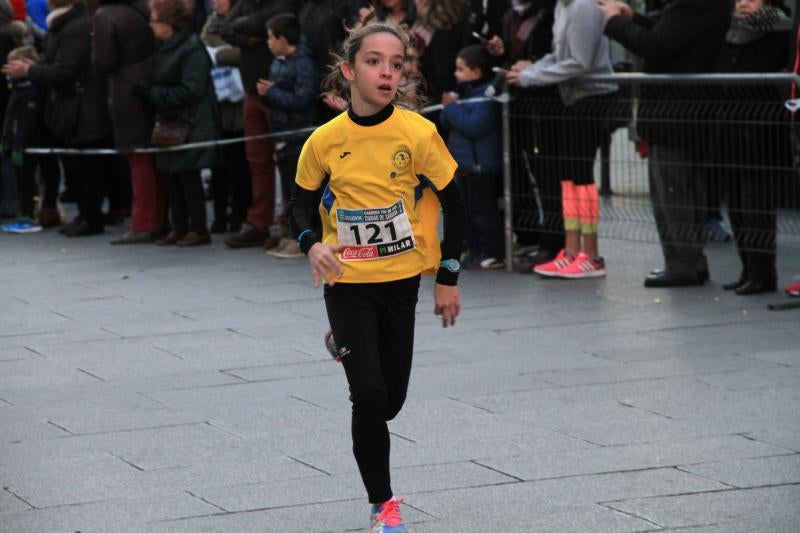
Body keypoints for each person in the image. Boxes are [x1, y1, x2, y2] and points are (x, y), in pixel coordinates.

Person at [288, 21, 464, 533]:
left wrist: (448, 276)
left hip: (400, 282)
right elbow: (298, 203)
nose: (386, 72)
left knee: (390, 402)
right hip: (345, 282)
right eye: (373, 62)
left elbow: (457, 199)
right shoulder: (324, 141)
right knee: (366, 394)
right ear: (349, 71)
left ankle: (342, 342)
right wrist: (311, 245)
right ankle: (382, 504)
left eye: (395, 63)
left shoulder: (417, 133)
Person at [598, 0, 733, 287]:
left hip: (674, 114)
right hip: (688, 113)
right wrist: (635, 17)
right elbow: (669, 30)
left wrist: (614, 23)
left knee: (672, 192)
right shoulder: (702, 7)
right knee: (686, 190)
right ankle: (691, 262)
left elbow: (656, 44)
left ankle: (682, 264)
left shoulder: (691, 5)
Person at [505, 0, 616, 278]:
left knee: (580, 178)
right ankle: (570, 250)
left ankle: (590, 253)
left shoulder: (583, 6)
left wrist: (531, 76)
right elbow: (557, 55)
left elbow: (580, 61)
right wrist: (529, 71)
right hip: (572, 98)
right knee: (568, 178)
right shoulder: (563, 7)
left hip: (591, 97)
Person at [4, 0, 115, 237]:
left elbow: (66, 70)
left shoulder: (73, 28)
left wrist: (30, 71)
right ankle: (85, 214)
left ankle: (90, 217)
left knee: (87, 166)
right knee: (78, 165)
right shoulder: (64, 26)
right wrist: (34, 66)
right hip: (72, 107)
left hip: (82, 106)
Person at [712, 0, 792, 294]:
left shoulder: (781, 28)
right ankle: (747, 268)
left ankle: (763, 273)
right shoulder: (730, 31)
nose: (743, 3)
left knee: (756, 204)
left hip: (760, 131)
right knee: (735, 203)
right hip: (730, 129)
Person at [134, 0, 220, 246]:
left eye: (155, 20)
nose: (151, 25)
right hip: (171, 120)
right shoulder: (166, 47)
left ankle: (197, 227)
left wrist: (153, 94)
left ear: (168, 23)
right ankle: (179, 226)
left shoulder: (191, 48)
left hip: (190, 121)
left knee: (188, 176)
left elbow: (191, 89)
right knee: (172, 174)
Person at [219, 0, 294, 249]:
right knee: (257, 159)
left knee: (285, 160)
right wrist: (254, 37)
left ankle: (287, 220)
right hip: (252, 89)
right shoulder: (245, 4)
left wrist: (248, 30)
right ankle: (259, 221)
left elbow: (272, 18)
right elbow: (225, 27)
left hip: (277, 87)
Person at [93, 0, 166, 245]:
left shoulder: (105, 14)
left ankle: (144, 221)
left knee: (138, 159)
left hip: (125, 91)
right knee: (149, 158)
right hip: (145, 83)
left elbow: (105, 60)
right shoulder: (140, 10)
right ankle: (157, 218)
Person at [256, 12, 316, 258]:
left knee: (298, 190)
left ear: (283, 38)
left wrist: (271, 94)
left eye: (271, 37)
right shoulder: (279, 61)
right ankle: (292, 233)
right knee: (288, 190)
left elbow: (303, 98)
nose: (268, 42)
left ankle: (301, 238)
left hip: (298, 134)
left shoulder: (302, 63)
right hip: (281, 133)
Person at [440, 44, 504, 269]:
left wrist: (452, 109)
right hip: (466, 164)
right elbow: (448, 120)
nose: (456, 74)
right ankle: (475, 249)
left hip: (480, 166)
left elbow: (475, 125)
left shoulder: (485, 96)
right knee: (466, 212)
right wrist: (450, 109)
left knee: (482, 212)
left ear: (476, 72)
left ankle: (492, 251)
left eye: (461, 69)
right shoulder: (466, 94)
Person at [201, 0, 252, 234]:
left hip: (241, 105)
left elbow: (244, 52)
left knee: (242, 164)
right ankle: (220, 215)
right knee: (219, 166)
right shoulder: (210, 25)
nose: (216, 3)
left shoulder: (245, 20)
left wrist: (221, 53)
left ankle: (240, 213)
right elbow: (205, 48)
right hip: (219, 107)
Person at [0, 44, 43, 231]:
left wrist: (16, 144)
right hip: (17, 141)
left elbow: (25, 121)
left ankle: (29, 215)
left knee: (28, 180)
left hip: (25, 143)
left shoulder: (29, 90)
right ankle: (26, 213)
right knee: (23, 179)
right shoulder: (18, 89)